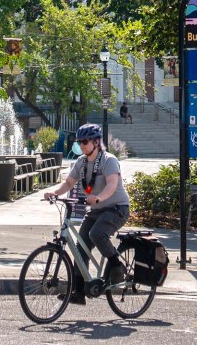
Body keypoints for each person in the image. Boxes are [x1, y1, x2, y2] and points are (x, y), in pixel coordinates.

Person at [43, 123, 131, 304]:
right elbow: (68, 183)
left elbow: (112, 185)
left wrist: (98, 197)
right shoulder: (81, 162)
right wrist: (54, 193)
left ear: (96, 142)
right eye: (79, 142)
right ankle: (78, 292)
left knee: (96, 234)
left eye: (85, 141)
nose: (82, 145)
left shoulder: (109, 160)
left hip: (117, 208)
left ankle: (116, 264)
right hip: (97, 210)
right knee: (80, 246)